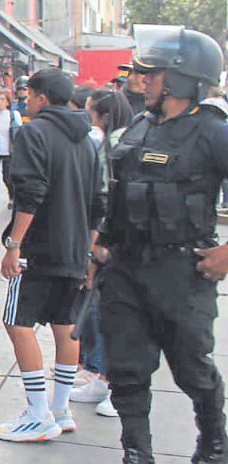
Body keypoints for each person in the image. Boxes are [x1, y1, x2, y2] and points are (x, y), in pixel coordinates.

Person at [81, 25, 228, 464]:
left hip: (182, 271)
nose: (140, 81)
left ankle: (214, 448)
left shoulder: (214, 131)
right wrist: (99, 250)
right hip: (126, 267)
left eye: (153, 73)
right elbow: (120, 198)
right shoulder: (141, 127)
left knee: (192, 369)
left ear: (181, 80)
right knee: (126, 368)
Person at [0, 69, 105, 442]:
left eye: (28, 93)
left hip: (39, 247)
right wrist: (88, 250)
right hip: (74, 248)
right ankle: (60, 408)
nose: (25, 99)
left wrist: (14, 245)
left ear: (41, 97)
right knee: (64, 323)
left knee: (17, 323)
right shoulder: (86, 139)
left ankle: (39, 413)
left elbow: (30, 193)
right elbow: (98, 202)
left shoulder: (33, 132)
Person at [71, 87, 133, 419]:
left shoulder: (116, 143)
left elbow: (108, 197)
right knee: (101, 310)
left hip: (115, 239)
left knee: (113, 313)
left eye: (90, 111)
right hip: (108, 234)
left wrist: (97, 243)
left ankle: (115, 385)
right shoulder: (108, 141)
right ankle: (103, 378)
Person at [0, 89, 22, 213]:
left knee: (8, 177)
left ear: (7, 102)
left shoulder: (13, 115)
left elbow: (19, 133)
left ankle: (12, 197)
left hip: (9, 151)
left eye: (2, 99)